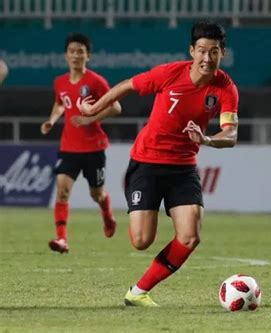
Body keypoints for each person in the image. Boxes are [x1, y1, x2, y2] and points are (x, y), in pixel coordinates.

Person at [73, 21, 239, 307]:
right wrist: (93, 107)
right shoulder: (170, 73)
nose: (207, 58)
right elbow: (127, 86)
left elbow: (231, 134)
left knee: (189, 237)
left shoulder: (225, 88)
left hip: (183, 167)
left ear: (222, 53)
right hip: (147, 161)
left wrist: (207, 139)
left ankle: (138, 292)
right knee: (141, 240)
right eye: (201, 51)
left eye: (214, 52)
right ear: (192, 51)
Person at [41, 33, 121, 254]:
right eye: (72, 51)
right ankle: (62, 240)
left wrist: (89, 118)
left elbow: (116, 108)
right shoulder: (60, 82)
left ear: (88, 56)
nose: (76, 55)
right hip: (69, 147)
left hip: (94, 148)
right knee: (62, 191)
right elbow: (60, 104)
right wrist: (51, 120)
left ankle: (107, 217)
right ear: (66, 56)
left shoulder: (96, 81)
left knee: (97, 194)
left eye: (80, 51)